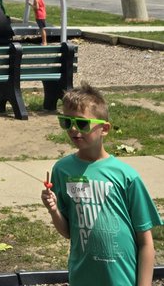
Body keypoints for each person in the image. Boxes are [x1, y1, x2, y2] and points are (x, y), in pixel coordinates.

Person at [41, 82, 160, 286]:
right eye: (66, 122)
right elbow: (70, 232)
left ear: (104, 129)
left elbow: (146, 242)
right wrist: (53, 211)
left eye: (82, 124)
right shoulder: (62, 170)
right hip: (82, 278)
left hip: (122, 279)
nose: (73, 129)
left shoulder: (125, 176)